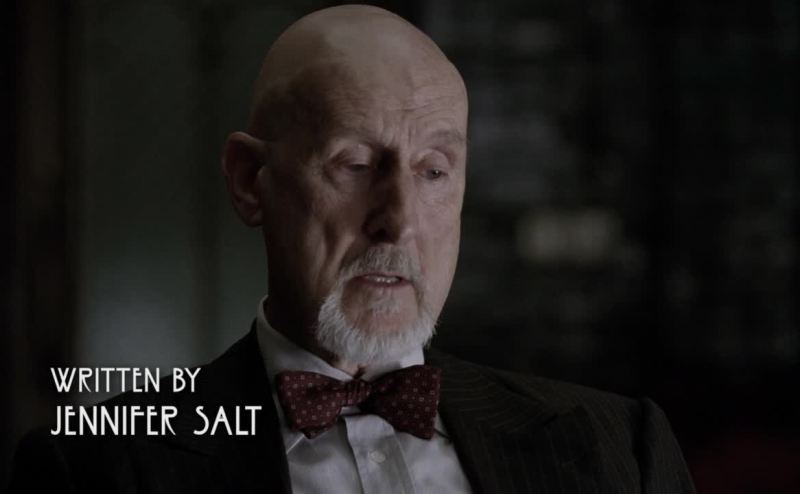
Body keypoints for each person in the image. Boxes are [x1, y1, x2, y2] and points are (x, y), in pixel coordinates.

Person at [9, 5, 696, 493]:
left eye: (434, 171)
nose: (398, 222)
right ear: (250, 182)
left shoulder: (619, 446)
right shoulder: (93, 468)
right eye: (357, 165)